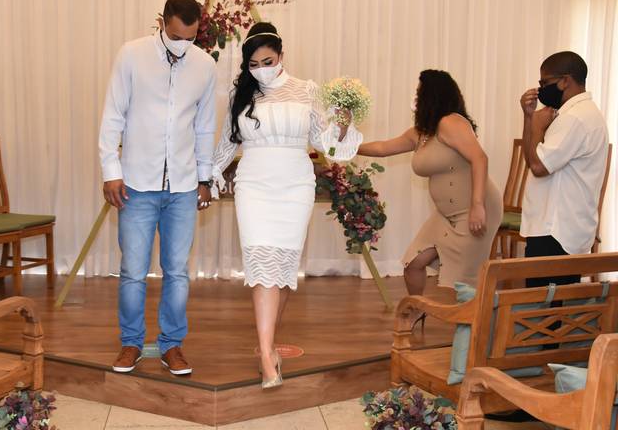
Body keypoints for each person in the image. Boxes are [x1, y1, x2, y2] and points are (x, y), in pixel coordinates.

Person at [210, 22, 363, 389]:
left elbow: (324, 143)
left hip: (295, 185)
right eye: (253, 64)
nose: (261, 69)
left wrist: (342, 128)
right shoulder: (241, 95)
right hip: (254, 185)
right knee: (261, 262)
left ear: (281, 55)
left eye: (268, 61)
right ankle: (266, 354)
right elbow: (228, 143)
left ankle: (270, 344)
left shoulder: (307, 90)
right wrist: (209, 175)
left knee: (282, 267)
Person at [99, 0, 216, 376]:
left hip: (183, 185)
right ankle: (131, 343)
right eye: (177, 36)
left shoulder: (205, 65)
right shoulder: (131, 55)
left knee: (177, 272)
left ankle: (172, 345)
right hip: (136, 183)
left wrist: (204, 179)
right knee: (133, 271)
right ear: (162, 23)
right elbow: (113, 116)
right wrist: (110, 171)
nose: (183, 44)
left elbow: (204, 127)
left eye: (191, 38)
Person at [357, 70, 502, 326]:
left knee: (466, 282)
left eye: (419, 92)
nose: (415, 98)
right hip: (445, 215)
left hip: (475, 208)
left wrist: (477, 206)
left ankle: (480, 329)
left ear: (432, 95)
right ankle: (417, 310)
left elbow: (480, 158)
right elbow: (382, 148)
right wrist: (345, 147)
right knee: (413, 263)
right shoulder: (422, 133)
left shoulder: (451, 123)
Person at [519, 51, 609, 286]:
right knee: (555, 301)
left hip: (555, 228)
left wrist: (536, 126)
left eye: (545, 83)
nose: (540, 89)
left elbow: (538, 166)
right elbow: (532, 158)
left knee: (540, 303)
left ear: (565, 81)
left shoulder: (574, 118)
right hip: (562, 225)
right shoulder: (581, 113)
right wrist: (529, 119)